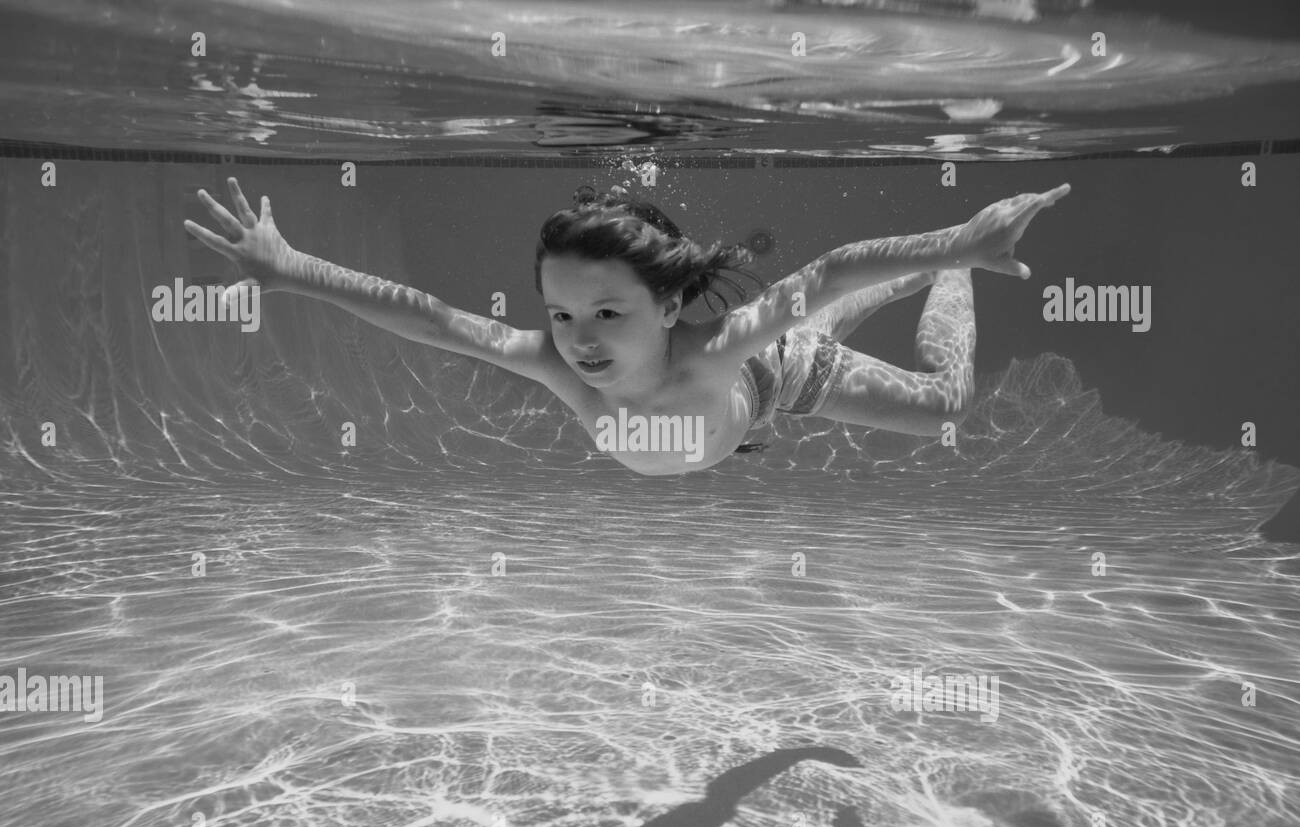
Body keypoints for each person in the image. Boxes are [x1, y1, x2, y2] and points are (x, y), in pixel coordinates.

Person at [184, 178, 1069, 475]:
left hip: (774, 381)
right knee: (825, 311)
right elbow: (428, 318)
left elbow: (829, 270)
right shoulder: (557, 365)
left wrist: (961, 238)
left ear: (672, 306)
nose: (581, 338)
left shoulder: (715, 344)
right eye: (562, 313)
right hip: (754, 386)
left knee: (943, 404)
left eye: (608, 312)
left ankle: (950, 269)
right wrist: (292, 269)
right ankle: (934, 262)